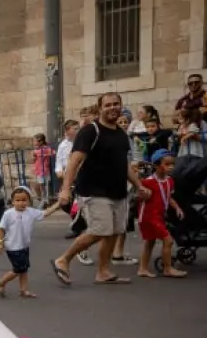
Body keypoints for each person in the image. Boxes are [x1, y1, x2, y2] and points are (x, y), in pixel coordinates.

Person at [52, 92, 152, 285]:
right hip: (93, 191)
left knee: (114, 231)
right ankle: (63, 259)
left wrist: (139, 185)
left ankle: (103, 271)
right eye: (108, 105)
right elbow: (74, 160)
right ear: (100, 108)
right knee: (100, 230)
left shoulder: (121, 134)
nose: (112, 108)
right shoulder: (91, 131)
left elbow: (124, 164)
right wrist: (65, 189)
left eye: (116, 104)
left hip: (117, 191)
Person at [0, 187, 62, 298]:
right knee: (18, 269)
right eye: (18, 200)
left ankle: (23, 290)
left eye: (24, 200)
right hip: (12, 247)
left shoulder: (31, 212)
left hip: (24, 246)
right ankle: (1, 282)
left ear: (29, 201)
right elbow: (1, 229)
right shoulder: (8, 214)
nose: (21, 203)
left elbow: (45, 213)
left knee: (24, 269)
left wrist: (58, 204)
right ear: (12, 202)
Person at [137, 150, 187, 278]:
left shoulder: (170, 181)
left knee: (150, 241)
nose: (171, 167)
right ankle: (168, 268)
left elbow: (168, 197)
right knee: (168, 240)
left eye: (172, 164)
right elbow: (139, 197)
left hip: (159, 215)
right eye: (167, 164)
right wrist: (142, 195)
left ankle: (142, 269)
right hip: (149, 216)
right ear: (157, 165)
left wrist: (177, 208)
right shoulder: (148, 182)